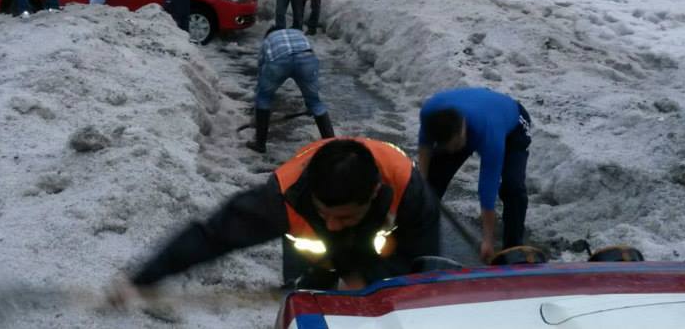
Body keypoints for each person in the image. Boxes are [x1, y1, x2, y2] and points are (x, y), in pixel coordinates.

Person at [107, 137, 441, 303]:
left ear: (374, 194)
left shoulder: (408, 189)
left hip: (377, 247)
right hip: (314, 258)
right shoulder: (278, 200)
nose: (334, 223)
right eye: (325, 214)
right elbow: (213, 237)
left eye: (344, 216)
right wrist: (144, 278)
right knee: (308, 300)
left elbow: (421, 267)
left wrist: (368, 284)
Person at [417, 88, 531, 264]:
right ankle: (420, 242)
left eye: (455, 145)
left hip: (513, 126)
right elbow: (424, 148)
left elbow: (487, 189)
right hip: (476, 116)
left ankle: (513, 251)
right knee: (431, 184)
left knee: (512, 187)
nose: (453, 151)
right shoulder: (430, 113)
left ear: (462, 131)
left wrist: (487, 240)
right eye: (447, 147)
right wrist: (423, 184)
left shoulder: (488, 134)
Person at [247, 27, 334, 153]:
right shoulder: (298, 34)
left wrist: (258, 99)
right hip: (306, 59)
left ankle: (260, 144)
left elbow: (261, 69)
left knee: (264, 98)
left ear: (268, 34)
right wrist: (311, 100)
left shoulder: (268, 40)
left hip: (279, 61)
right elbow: (312, 54)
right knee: (315, 102)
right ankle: (331, 144)